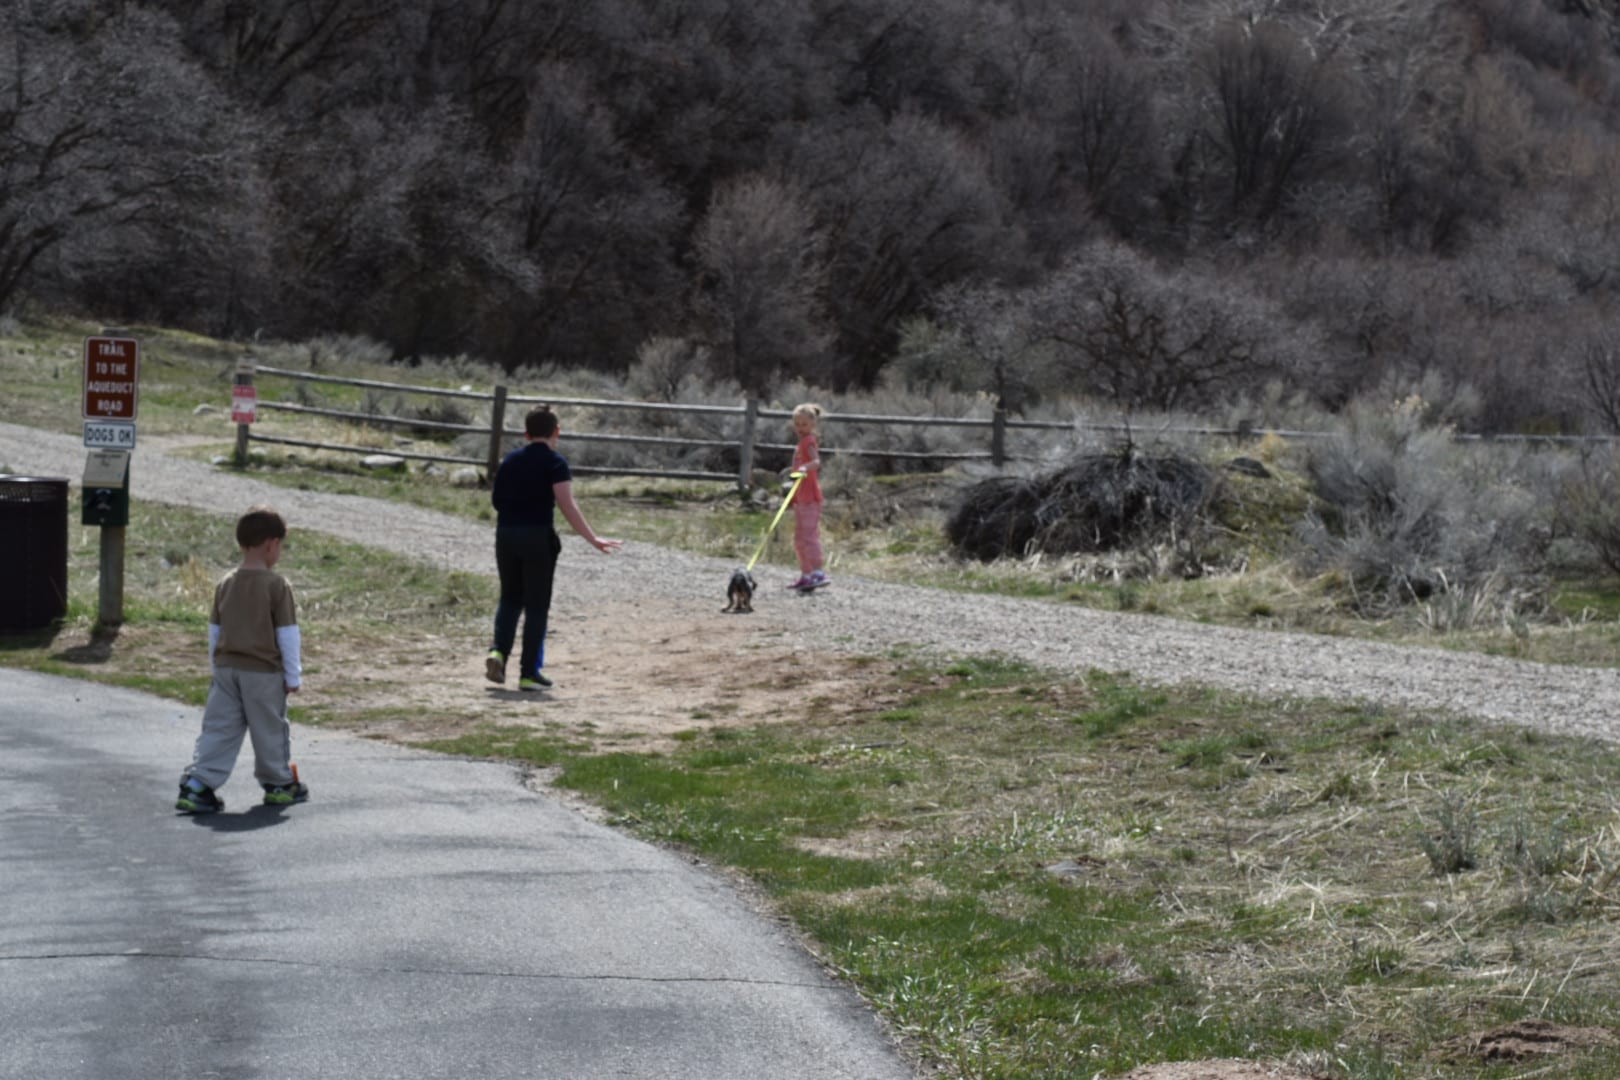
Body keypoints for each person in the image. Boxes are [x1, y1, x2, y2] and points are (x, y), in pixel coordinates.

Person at [176, 505, 308, 813]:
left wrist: (215, 668)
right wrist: (293, 676)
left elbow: (214, 631)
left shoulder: (226, 583)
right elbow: (287, 634)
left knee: (219, 729)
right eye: (281, 547)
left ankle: (198, 785)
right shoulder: (277, 586)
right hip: (263, 673)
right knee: (269, 729)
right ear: (271, 544)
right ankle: (278, 783)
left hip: (226, 670)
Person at [485, 405, 622, 691]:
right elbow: (567, 505)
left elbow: (496, 501)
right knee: (537, 605)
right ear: (556, 432)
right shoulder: (555, 463)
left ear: (526, 433)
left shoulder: (509, 461)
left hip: (506, 534)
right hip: (537, 537)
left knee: (510, 597)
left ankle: (498, 652)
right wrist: (592, 538)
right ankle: (528, 673)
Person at [784, 402, 829, 590]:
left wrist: (804, 468)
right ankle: (806, 573)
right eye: (797, 424)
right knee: (799, 537)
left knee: (809, 535)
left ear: (812, 425)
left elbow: (816, 462)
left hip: (810, 497)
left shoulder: (809, 441)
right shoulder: (800, 443)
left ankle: (818, 572)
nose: (800, 428)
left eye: (804, 424)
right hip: (800, 496)